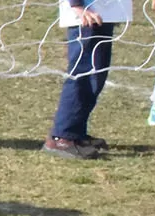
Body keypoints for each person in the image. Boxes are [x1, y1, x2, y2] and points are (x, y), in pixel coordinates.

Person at [43, 0, 126, 158]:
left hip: (102, 11)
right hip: (87, 14)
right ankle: (62, 136)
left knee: (96, 74)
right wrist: (77, 5)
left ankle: (76, 133)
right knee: (84, 73)